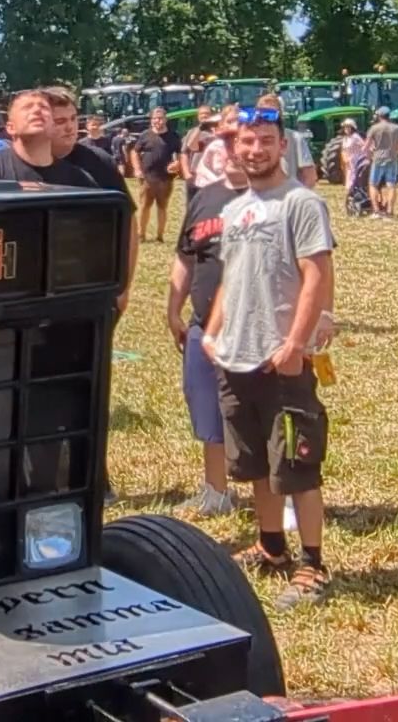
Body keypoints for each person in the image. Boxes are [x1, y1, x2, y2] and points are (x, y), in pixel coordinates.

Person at [203, 112, 337, 608]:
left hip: (281, 359)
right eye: (246, 142)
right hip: (235, 357)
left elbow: (316, 273)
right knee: (256, 463)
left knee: (296, 463)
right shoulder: (237, 209)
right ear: (234, 149)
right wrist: (212, 334)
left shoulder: (301, 204)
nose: (255, 149)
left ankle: (313, 562)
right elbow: (229, 278)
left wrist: (295, 344)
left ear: (282, 146)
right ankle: (271, 545)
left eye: (265, 141)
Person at [167, 119, 248, 518]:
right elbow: (186, 256)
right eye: (226, 142)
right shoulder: (204, 197)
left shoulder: (277, 198)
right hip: (202, 325)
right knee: (207, 408)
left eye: (240, 142)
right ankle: (216, 491)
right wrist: (172, 308)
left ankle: (281, 495)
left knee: (264, 415)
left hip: (256, 329)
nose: (232, 150)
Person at [45, 88, 136, 315]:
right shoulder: (12, 164)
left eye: (74, 119)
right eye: (60, 121)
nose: (70, 127)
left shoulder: (99, 162)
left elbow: (129, 225)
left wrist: (123, 286)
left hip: (90, 285)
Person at [0, 90, 96, 187]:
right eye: (27, 107)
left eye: (44, 107)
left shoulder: (78, 179)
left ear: (52, 124)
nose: (37, 110)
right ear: (11, 128)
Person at [128, 107, 178, 242]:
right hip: (147, 178)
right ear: (151, 120)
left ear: (165, 119)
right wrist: (137, 169)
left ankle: (160, 236)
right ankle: (141, 234)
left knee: (162, 206)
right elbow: (134, 152)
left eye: (160, 118)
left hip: (165, 179)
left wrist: (177, 164)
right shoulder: (145, 135)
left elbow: (179, 155)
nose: (158, 121)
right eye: (155, 118)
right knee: (144, 206)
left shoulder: (173, 136)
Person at [365, 107, 398, 217]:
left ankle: (376, 211)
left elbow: (366, 146)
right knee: (391, 185)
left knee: (373, 184)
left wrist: (369, 155)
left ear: (378, 116)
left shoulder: (374, 128)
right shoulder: (397, 128)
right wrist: (395, 153)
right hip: (392, 158)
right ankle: (390, 211)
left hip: (377, 159)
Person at [338, 119, 370, 215]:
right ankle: (350, 202)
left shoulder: (356, 137)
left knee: (356, 182)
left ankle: (358, 199)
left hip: (358, 161)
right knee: (349, 184)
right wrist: (345, 159)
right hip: (349, 164)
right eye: (345, 127)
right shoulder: (344, 139)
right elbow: (343, 151)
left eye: (348, 127)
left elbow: (364, 147)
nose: (346, 129)